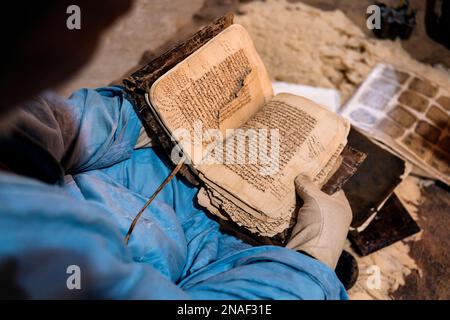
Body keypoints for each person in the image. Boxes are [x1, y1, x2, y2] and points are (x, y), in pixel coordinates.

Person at [0, 1, 352, 299]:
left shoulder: (16, 118)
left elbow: (52, 124)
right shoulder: (35, 246)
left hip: (169, 201)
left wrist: (135, 118)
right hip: (198, 256)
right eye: (105, 13)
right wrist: (312, 261)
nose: (120, 16)